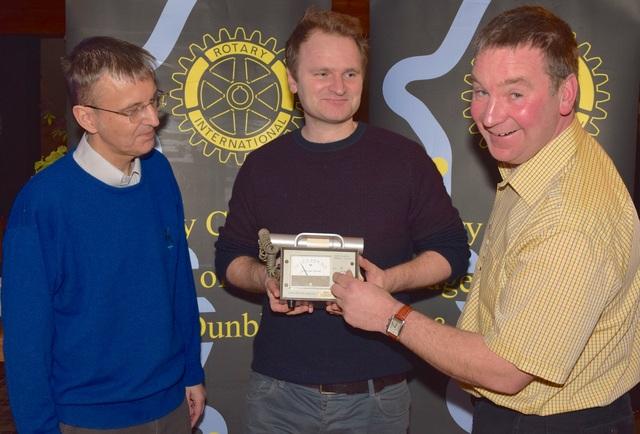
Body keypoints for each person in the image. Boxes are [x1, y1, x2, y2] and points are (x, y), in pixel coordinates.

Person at [331, 5, 640, 433]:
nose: (489, 117)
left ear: (566, 95)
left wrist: (389, 315)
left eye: (515, 93)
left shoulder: (570, 217)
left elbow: (506, 371)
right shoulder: (543, 160)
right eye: (480, 91)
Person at [214, 6, 469, 433]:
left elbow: (452, 252)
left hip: (376, 397)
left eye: (350, 73)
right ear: (293, 81)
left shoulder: (403, 159)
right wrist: (266, 280)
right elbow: (230, 258)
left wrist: (387, 282)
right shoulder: (263, 166)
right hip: (278, 395)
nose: (338, 86)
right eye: (322, 73)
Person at [1, 36, 205, 433]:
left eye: (152, 101)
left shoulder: (160, 174)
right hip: (88, 419)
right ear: (87, 118)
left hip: (171, 403)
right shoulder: (42, 204)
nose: (152, 118)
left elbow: (178, 280)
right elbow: (26, 342)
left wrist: (192, 371)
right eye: (133, 110)